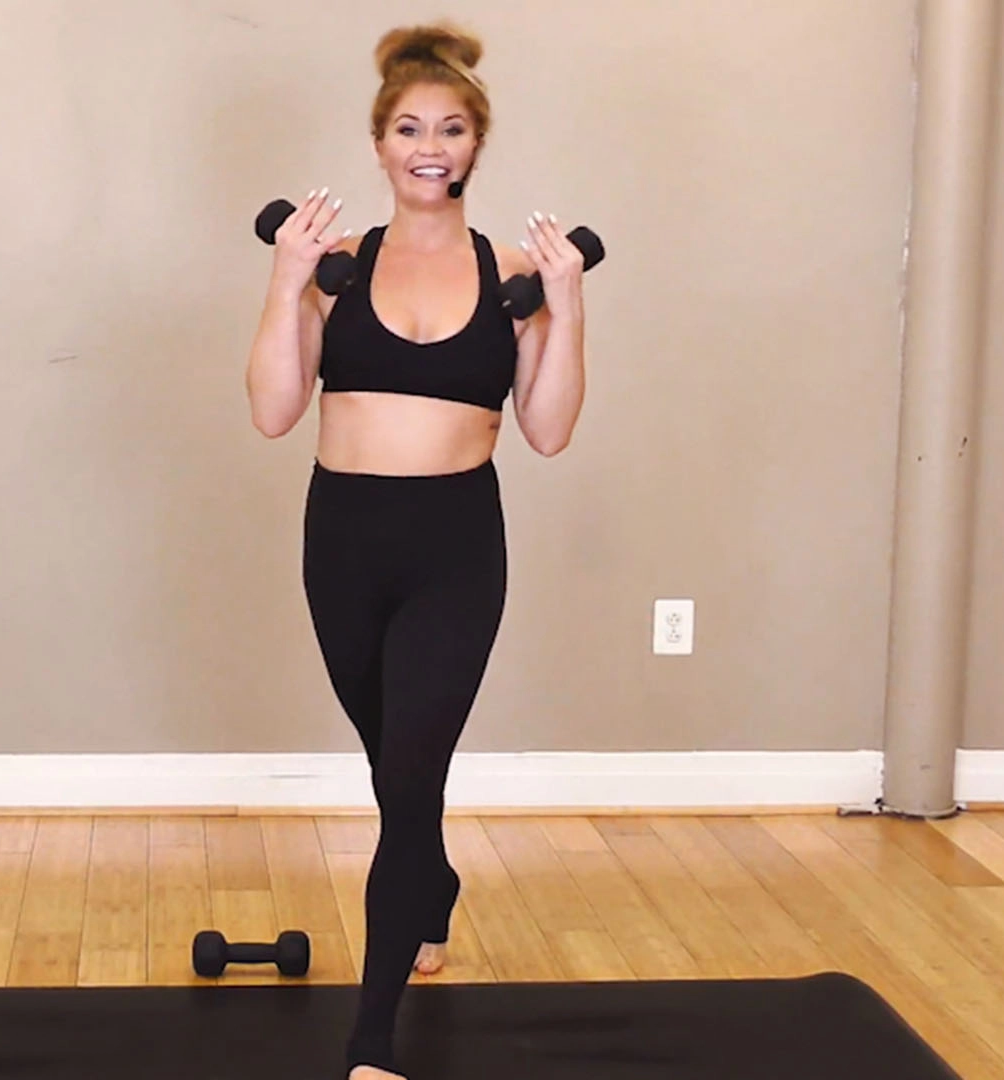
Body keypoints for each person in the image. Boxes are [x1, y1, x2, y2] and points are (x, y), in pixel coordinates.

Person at [243, 19, 589, 1080]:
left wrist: (568, 306)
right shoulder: (331, 267)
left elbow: (548, 429)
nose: (427, 145)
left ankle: (372, 1040)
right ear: (380, 144)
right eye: (407, 128)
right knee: (399, 775)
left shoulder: (521, 274)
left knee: (409, 766)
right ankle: (430, 885)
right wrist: (283, 279)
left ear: (476, 144)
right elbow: (270, 411)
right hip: (342, 542)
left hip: (455, 546)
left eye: (449, 128)